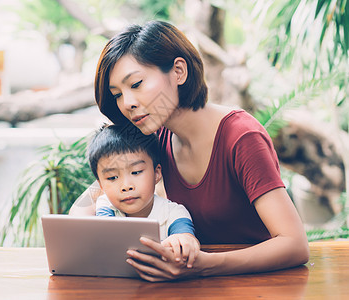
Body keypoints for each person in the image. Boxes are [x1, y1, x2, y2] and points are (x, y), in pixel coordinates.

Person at [70, 20, 309, 281]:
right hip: (191, 285)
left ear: (179, 71)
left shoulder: (241, 137)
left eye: (136, 84)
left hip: (262, 285)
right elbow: (87, 202)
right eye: (117, 94)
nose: (127, 103)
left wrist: (205, 265)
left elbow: (294, 245)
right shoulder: (154, 134)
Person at [88, 123, 199, 267]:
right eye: (112, 178)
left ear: (157, 173)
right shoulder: (106, 206)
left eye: (136, 172)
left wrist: (182, 240)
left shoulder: (174, 212)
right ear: (101, 185)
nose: (126, 186)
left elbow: (187, 238)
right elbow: (106, 234)